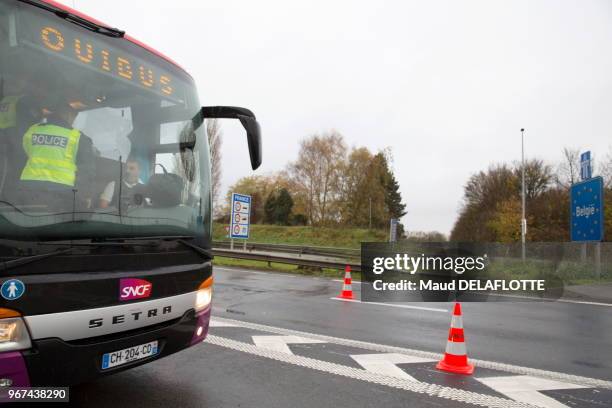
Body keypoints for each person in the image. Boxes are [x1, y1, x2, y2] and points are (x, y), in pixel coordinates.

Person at [18, 100, 95, 211]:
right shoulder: (77, 137)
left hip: (29, 185)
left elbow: (25, 151)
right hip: (61, 190)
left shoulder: (33, 130)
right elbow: (87, 170)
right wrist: (85, 195)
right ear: (68, 115)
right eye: (74, 117)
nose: (73, 121)